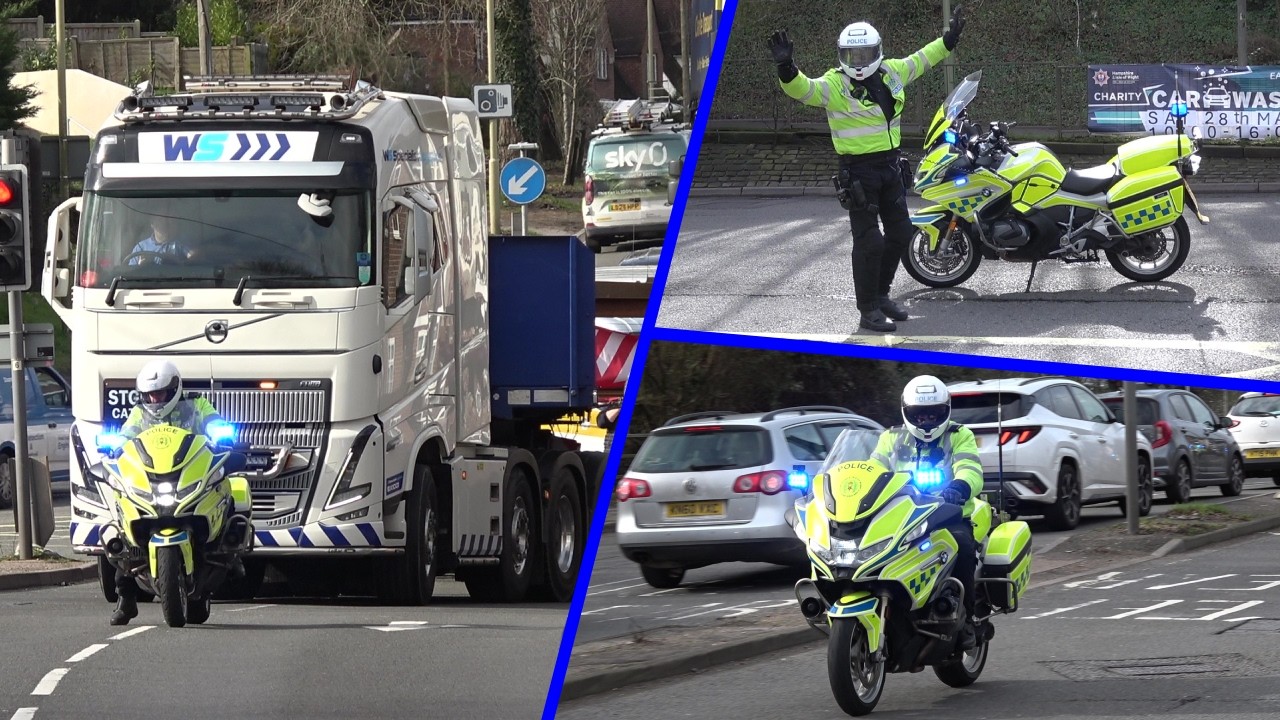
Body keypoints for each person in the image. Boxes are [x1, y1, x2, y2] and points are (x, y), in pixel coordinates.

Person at [767, 8, 966, 332]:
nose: (858, 61)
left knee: (902, 233)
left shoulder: (893, 72)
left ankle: (882, 295)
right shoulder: (835, 84)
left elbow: (922, 59)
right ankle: (868, 309)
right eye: (851, 54)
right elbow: (803, 89)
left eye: (863, 53)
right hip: (858, 172)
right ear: (842, 55)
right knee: (869, 242)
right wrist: (787, 68)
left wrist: (948, 41)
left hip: (890, 166)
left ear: (876, 52)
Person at [870, 374, 983, 649]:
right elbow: (872, 471)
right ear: (908, 413)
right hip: (901, 517)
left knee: (964, 549)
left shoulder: (959, 435)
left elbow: (971, 468)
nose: (927, 421)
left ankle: (966, 619)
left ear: (945, 411)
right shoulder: (890, 438)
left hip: (949, 515)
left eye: (934, 414)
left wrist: (959, 487)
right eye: (920, 416)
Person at [110, 359, 224, 625]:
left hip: (186, 474)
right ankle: (125, 599)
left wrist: (221, 432)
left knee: (227, 492)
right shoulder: (139, 413)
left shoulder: (196, 405)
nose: (154, 399)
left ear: (174, 390)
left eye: (159, 393)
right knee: (117, 526)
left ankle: (227, 550)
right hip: (152, 478)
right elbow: (127, 433)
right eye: (149, 394)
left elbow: (214, 421)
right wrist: (115, 445)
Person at [128, 213, 193, 265]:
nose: (165, 224)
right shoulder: (140, 247)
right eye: (161, 220)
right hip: (146, 281)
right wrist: (140, 267)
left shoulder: (179, 243)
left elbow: (195, 258)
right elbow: (129, 275)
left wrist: (178, 262)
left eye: (169, 221)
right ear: (152, 224)